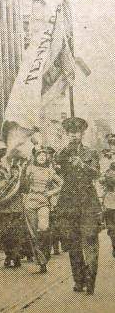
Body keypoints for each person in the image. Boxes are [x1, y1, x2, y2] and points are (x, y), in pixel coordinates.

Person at [55, 117, 102, 294]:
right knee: (73, 243)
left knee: (90, 240)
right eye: (70, 132)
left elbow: (96, 173)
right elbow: (58, 168)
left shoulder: (90, 153)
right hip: (68, 203)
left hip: (88, 202)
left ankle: (90, 278)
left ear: (82, 133)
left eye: (77, 132)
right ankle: (78, 279)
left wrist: (82, 165)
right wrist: (65, 158)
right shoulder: (63, 153)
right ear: (67, 134)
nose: (74, 135)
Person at [21, 147, 63, 273]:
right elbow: (22, 182)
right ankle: (41, 261)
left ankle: (45, 255)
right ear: (36, 157)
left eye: (44, 156)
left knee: (44, 228)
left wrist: (51, 192)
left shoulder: (50, 171)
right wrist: (23, 170)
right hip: (30, 201)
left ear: (47, 158)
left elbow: (61, 183)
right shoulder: (30, 168)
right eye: (39, 155)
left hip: (43, 202)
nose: (41, 157)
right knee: (33, 234)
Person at [0, 148, 26, 268]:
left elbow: (25, 187)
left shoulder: (18, 171)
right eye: (3, 158)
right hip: (2, 208)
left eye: (8, 158)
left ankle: (16, 256)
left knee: (16, 232)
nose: (6, 161)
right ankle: (8, 255)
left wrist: (20, 178)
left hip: (16, 207)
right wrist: (3, 184)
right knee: (4, 233)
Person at [99, 133, 115, 257]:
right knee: (112, 226)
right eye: (112, 143)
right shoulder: (105, 159)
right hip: (110, 196)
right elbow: (100, 177)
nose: (113, 146)